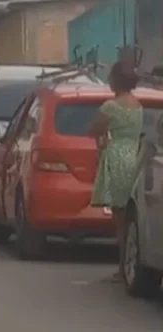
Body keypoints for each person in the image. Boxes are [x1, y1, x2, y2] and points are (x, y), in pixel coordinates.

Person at [88, 62, 142, 282]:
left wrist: (101, 140)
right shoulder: (138, 105)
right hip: (133, 156)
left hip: (117, 157)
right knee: (129, 216)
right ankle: (127, 265)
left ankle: (122, 268)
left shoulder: (110, 106)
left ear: (117, 80)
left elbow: (93, 129)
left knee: (119, 218)